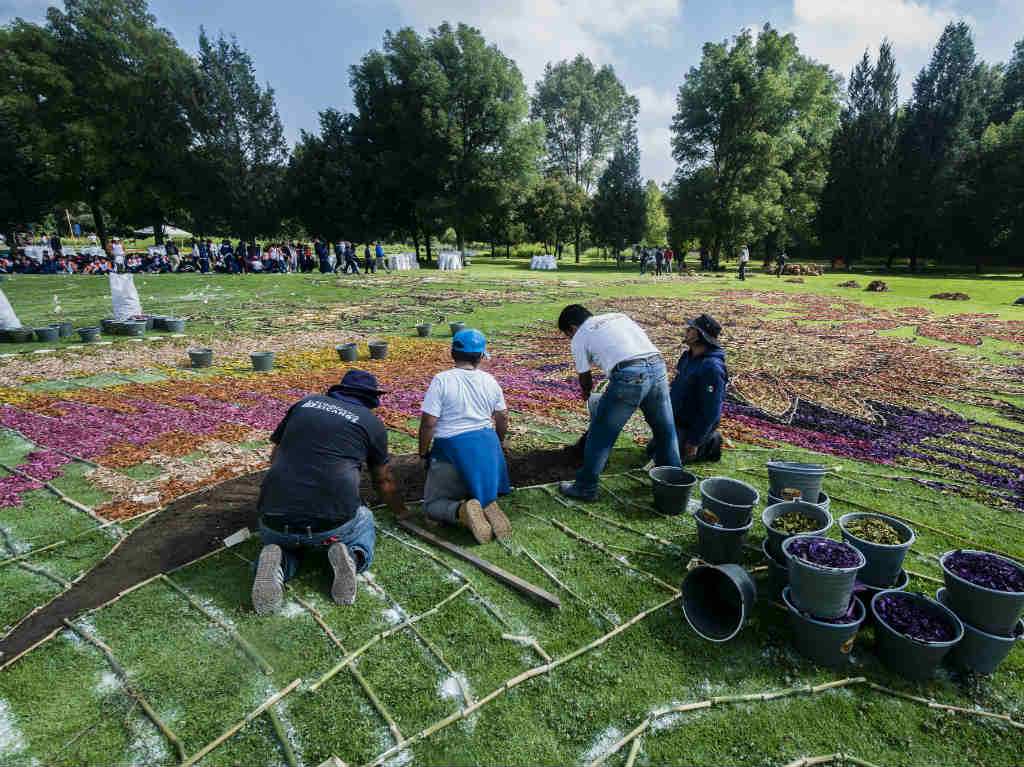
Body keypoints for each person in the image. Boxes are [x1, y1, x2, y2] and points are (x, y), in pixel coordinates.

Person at [252, 370, 409, 615]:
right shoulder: (371, 424)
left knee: (288, 541)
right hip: (331, 525)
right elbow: (383, 480)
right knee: (365, 518)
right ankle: (354, 556)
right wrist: (401, 512)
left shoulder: (304, 404)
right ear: (370, 399)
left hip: (274, 518)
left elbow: (275, 458)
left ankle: (278, 561)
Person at [557, 305, 680, 501]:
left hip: (630, 376)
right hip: (657, 367)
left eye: (568, 335)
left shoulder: (580, 335)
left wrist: (587, 394)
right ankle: (674, 484)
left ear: (572, 328)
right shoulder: (618, 316)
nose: (570, 338)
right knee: (665, 429)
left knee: (600, 435)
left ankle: (585, 487)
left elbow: (585, 377)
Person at [417, 329, 511, 543]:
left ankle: (461, 511)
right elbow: (502, 417)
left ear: (452, 353)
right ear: (480, 356)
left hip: (453, 450)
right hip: (488, 450)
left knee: (431, 506)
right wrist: (499, 442)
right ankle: (485, 503)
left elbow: (429, 422)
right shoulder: (490, 380)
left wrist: (423, 452)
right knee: (476, 485)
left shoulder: (442, 380)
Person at [667, 314, 727, 464]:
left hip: (692, 425)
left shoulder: (712, 368)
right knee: (652, 450)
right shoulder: (687, 357)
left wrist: (694, 441)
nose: (687, 330)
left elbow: (712, 410)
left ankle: (710, 442)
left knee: (666, 459)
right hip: (678, 420)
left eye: (692, 328)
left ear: (700, 335)